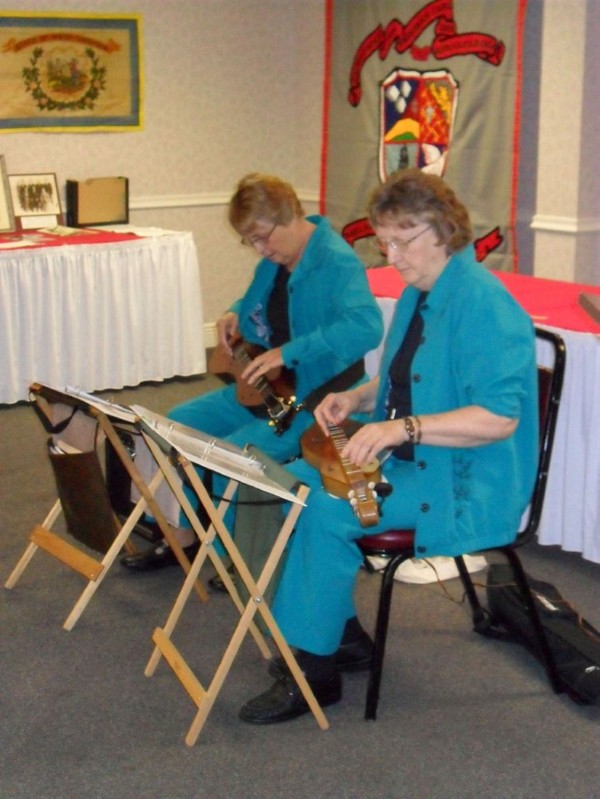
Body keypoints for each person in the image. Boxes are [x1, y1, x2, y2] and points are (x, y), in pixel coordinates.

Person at [238, 168, 539, 724]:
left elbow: (499, 418)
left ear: (445, 231)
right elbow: (408, 377)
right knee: (297, 487)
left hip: (464, 479)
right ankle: (340, 634)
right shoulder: (421, 293)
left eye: (404, 241)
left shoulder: (485, 306)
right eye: (384, 242)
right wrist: (357, 397)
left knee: (326, 506)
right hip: (420, 459)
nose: (392, 255)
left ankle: (314, 672)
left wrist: (401, 429)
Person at [121, 172, 383, 571]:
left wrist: (289, 352)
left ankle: (236, 561)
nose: (259, 248)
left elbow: (366, 326)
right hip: (266, 389)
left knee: (232, 457)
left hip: (318, 399)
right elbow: (260, 299)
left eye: (263, 236)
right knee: (170, 427)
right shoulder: (276, 260)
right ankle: (181, 536)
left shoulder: (336, 261)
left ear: (291, 214)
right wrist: (234, 311)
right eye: (251, 240)